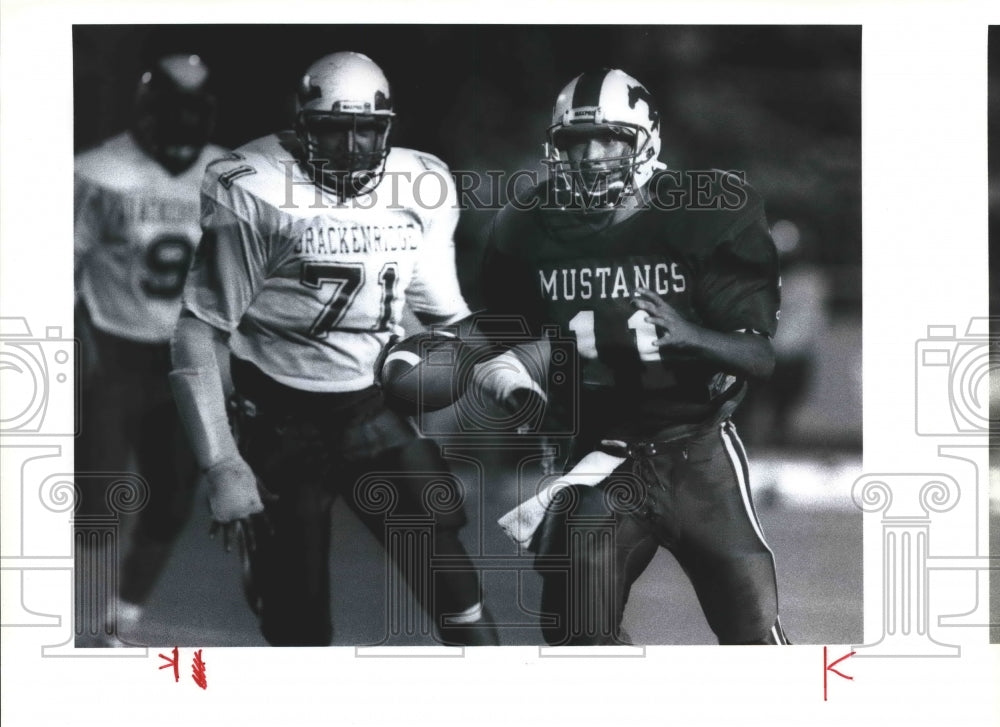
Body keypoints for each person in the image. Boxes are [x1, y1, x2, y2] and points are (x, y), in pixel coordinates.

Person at [171, 51, 497, 646]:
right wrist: (220, 462)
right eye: (332, 128)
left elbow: (446, 314)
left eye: (367, 128)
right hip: (281, 418)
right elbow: (199, 328)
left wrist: (501, 377)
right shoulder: (255, 186)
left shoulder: (421, 183)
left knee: (457, 593)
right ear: (302, 125)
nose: (351, 146)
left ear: (388, 128)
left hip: (373, 409)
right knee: (299, 628)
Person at [475, 67, 790, 645]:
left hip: (697, 454)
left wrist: (693, 336)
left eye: (610, 139)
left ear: (646, 140)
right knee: (575, 637)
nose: (592, 155)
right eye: (574, 141)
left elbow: (758, 357)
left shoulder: (708, 210)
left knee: (755, 637)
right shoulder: (525, 228)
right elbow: (512, 344)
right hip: (604, 456)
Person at [74, 53, 226, 645]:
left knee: (172, 500)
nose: (183, 122)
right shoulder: (97, 171)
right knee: (94, 508)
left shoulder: (225, 175)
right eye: (173, 108)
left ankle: (118, 619)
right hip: (113, 352)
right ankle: (66, 614)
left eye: (194, 109)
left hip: (186, 361)